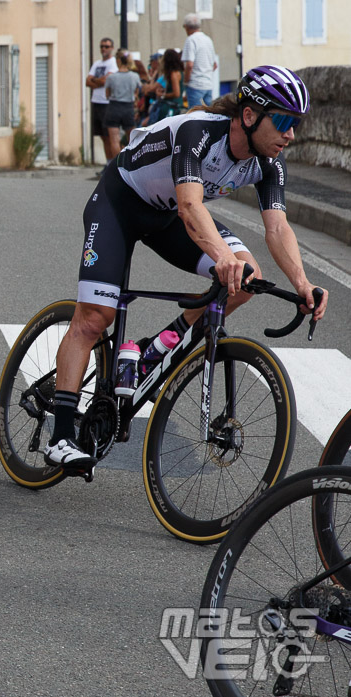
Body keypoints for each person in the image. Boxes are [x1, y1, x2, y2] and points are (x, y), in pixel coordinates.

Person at [43, 65, 327, 476]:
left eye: (295, 124)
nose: (291, 135)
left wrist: (303, 283)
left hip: (168, 215)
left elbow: (277, 226)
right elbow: (191, 205)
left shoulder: (268, 163)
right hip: (120, 203)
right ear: (249, 116)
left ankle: (156, 350)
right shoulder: (199, 132)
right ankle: (61, 437)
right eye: (283, 121)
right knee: (94, 319)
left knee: (245, 280)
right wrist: (221, 259)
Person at [103, 50, 140, 159]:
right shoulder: (134, 76)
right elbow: (137, 92)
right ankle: (132, 163)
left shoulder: (111, 77)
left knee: (114, 139)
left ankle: (117, 166)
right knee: (132, 138)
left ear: (118, 61)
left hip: (114, 107)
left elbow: (107, 95)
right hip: (128, 107)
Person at [87, 37, 118, 163]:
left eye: (106, 46)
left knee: (111, 136)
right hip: (96, 102)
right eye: (101, 46)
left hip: (107, 103)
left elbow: (107, 80)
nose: (103, 49)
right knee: (102, 136)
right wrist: (97, 81)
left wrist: (95, 80)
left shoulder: (113, 63)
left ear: (111, 48)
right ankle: (108, 163)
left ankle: (116, 164)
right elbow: (87, 81)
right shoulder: (97, 64)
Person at [182, 13, 216, 108]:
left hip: (195, 85)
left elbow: (189, 65)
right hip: (208, 84)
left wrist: (186, 82)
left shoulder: (191, 40)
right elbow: (214, 65)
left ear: (187, 27)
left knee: (195, 116)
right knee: (207, 116)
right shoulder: (208, 40)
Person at [150, 48, 184, 124]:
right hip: (177, 105)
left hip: (171, 107)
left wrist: (162, 95)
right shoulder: (180, 72)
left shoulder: (173, 74)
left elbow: (176, 93)